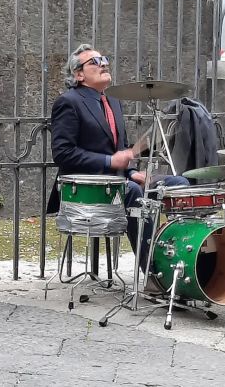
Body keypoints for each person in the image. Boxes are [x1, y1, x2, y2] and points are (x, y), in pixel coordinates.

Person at [47, 44, 189, 270]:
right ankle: (153, 271)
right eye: (94, 62)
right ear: (79, 74)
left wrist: (132, 172)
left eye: (104, 59)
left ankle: (181, 260)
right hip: (86, 189)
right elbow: (63, 154)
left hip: (119, 183)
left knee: (178, 184)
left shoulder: (113, 101)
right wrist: (109, 162)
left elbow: (120, 149)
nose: (103, 63)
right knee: (132, 192)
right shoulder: (69, 102)